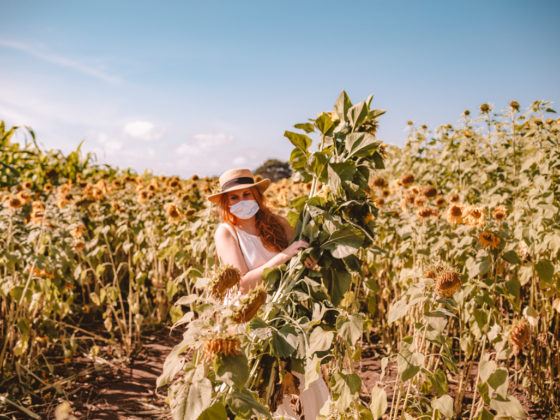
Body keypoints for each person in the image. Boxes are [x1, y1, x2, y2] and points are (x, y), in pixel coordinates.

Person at [207, 167, 330, 420]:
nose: (242, 201)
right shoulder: (227, 232)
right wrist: (285, 256)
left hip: (284, 316)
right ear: (225, 202)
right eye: (234, 197)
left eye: (247, 194)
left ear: (257, 196)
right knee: (255, 388)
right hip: (249, 318)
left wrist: (306, 259)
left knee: (294, 382)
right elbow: (241, 283)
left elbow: (302, 255)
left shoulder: (278, 224)